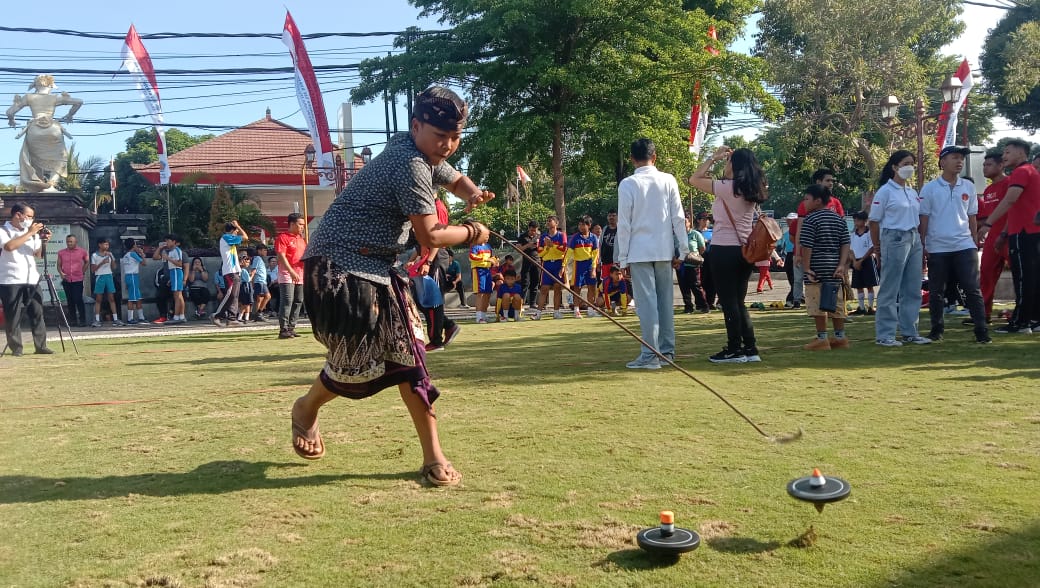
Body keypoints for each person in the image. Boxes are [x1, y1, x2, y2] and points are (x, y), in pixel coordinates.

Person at [291, 86, 493, 488]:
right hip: (338, 267)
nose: (449, 146)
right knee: (353, 365)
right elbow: (431, 236)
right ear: (416, 126)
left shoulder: (420, 150)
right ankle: (306, 408)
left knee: (409, 359)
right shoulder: (409, 164)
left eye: (455, 138)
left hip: (378, 268)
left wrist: (471, 193)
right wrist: (473, 232)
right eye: (441, 137)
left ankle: (432, 454)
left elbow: (449, 175)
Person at [688, 145, 768, 363]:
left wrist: (713, 158)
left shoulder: (728, 187)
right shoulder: (751, 188)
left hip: (724, 249)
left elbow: (694, 178)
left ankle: (734, 348)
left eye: (729, 161)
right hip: (744, 250)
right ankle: (750, 348)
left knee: (728, 301)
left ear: (735, 165)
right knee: (738, 302)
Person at [617, 138, 689, 369]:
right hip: (664, 249)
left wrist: (622, 258)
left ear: (632, 159)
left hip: (639, 251)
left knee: (647, 305)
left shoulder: (628, 184)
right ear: (654, 156)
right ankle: (666, 352)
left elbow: (624, 224)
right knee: (665, 302)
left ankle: (650, 356)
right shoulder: (668, 180)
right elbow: (678, 217)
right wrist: (685, 249)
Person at [919, 146, 989, 344]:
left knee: (972, 288)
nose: (959, 162)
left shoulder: (967, 187)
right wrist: (923, 245)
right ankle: (936, 330)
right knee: (936, 291)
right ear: (942, 162)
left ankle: (982, 331)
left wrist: (974, 242)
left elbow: (972, 218)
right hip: (937, 247)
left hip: (964, 245)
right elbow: (923, 218)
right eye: (955, 157)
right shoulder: (930, 188)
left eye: (961, 158)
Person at [868, 150, 931, 347]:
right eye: (905, 163)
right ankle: (885, 334)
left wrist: (921, 240)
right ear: (895, 167)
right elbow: (874, 221)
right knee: (890, 287)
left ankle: (910, 331)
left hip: (913, 238)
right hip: (894, 237)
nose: (909, 167)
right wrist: (877, 247)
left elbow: (919, 218)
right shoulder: (885, 191)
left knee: (912, 288)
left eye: (912, 163)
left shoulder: (912, 192)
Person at [977, 139, 1040, 334]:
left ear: (1021, 153)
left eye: (1007, 152)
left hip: (1024, 232)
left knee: (1023, 278)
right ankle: (1033, 319)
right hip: (1024, 231)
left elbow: (1010, 200)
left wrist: (988, 224)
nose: (1004, 156)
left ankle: (1021, 322)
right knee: (1030, 277)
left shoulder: (1021, 172)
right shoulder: (1031, 172)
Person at [5, 74, 83, 192]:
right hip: (53, 129)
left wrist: (12, 120)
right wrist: (70, 115)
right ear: (51, 86)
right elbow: (79, 102)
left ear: (35, 85)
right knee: (60, 157)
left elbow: (10, 112)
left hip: (34, 129)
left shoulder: (29, 97)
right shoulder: (55, 98)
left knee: (34, 158)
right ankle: (50, 185)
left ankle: (38, 185)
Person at [799, 184, 852, 350]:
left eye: (807, 199)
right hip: (835, 267)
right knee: (835, 302)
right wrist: (842, 265)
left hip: (816, 267)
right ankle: (840, 337)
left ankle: (822, 338)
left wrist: (807, 268)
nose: (804, 202)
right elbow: (845, 243)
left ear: (817, 201)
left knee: (817, 303)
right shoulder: (838, 219)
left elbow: (807, 246)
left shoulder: (810, 220)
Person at [0, 203, 53, 356]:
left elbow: (38, 254)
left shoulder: (32, 233)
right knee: (13, 314)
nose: (31, 220)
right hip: (10, 279)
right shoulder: (3, 230)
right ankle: (16, 348)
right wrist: (29, 233)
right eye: (29, 216)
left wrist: (44, 241)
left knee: (37, 312)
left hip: (31, 278)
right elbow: (9, 247)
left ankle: (41, 346)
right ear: (18, 215)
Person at [977, 153, 1010, 323]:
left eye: (989, 164)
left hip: (1010, 235)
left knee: (1022, 275)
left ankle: (1026, 313)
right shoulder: (988, 190)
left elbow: (1012, 211)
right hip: (992, 238)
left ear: (1001, 166)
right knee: (986, 272)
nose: (985, 168)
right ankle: (984, 314)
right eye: (984, 165)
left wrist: (1004, 233)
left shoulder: (1009, 184)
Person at [275, 213, 306, 338]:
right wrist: (291, 271)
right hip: (287, 272)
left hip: (300, 273)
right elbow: (281, 256)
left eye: (303, 225)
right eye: (300, 224)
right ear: (292, 224)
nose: (302, 227)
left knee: (298, 300)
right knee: (287, 300)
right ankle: (283, 329)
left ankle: (291, 327)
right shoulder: (283, 237)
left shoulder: (301, 239)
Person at [531, 214, 567, 320]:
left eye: (551, 220)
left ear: (556, 223)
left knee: (557, 288)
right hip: (547, 264)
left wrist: (552, 246)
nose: (549, 222)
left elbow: (563, 249)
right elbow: (540, 253)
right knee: (544, 288)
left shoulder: (561, 235)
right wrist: (547, 248)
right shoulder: (543, 237)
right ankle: (538, 313)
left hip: (558, 263)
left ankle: (556, 312)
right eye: (548, 221)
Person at [212, 220, 246, 327]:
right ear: (232, 230)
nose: (237, 232)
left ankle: (231, 318)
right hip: (230, 271)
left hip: (235, 270)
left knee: (235, 296)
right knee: (230, 295)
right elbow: (245, 237)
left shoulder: (229, 239)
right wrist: (239, 226)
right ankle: (216, 315)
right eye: (236, 230)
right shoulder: (226, 237)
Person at [568, 215, 599, 318]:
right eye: (579, 224)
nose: (581, 227)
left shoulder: (593, 237)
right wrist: (563, 265)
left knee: (592, 287)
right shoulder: (575, 237)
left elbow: (595, 255)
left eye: (583, 224)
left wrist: (594, 268)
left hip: (589, 264)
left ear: (589, 225)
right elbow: (569, 252)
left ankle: (591, 309)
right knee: (577, 287)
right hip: (579, 264)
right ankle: (576, 310)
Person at [848, 211, 878, 315]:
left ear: (865, 221)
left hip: (867, 261)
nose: (856, 222)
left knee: (869, 285)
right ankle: (861, 307)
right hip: (856, 261)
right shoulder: (853, 234)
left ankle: (871, 307)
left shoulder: (869, 233)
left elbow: (872, 247)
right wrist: (854, 261)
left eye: (858, 220)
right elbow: (850, 249)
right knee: (858, 285)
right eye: (855, 220)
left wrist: (861, 260)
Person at [677, 216, 708, 313]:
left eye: (685, 222)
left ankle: (703, 305)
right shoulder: (676, 235)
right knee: (684, 286)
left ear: (689, 223)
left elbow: (702, 248)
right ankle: (688, 307)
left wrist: (694, 256)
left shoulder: (695, 234)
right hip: (680, 265)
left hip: (693, 265)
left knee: (696, 286)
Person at [56, 234, 89, 327]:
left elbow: (87, 262)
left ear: (75, 242)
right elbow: (58, 265)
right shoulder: (61, 252)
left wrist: (82, 271)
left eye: (71, 242)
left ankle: (82, 319)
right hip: (67, 280)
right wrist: (61, 273)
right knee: (70, 300)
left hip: (77, 279)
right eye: (67, 242)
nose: (69, 243)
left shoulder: (82, 251)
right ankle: (73, 320)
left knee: (78, 299)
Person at [90, 238, 122, 327]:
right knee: (98, 299)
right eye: (105, 244)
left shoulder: (110, 254)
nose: (106, 246)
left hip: (109, 276)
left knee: (111, 298)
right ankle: (96, 319)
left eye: (107, 245)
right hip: (100, 277)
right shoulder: (94, 255)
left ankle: (116, 319)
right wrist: (102, 262)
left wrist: (111, 257)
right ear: (99, 245)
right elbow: (93, 270)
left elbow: (114, 267)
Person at [159, 234, 187, 325]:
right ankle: (180, 316)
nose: (167, 243)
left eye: (168, 241)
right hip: (173, 273)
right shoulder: (171, 251)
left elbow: (179, 264)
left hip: (176, 272)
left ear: (174, 241)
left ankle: (177, 316)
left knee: (177, 295)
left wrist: (168, 258)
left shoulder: (177, 251)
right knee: (178, 295)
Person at [120, 238, 147, 324]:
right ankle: (130, 318)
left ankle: (141, 317)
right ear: (133, 245)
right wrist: (142, 254)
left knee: (138, 297)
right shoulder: (133, 254)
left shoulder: (126, 255)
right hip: (133, 276)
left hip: (129, 276)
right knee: (132, 298)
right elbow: (144, 263)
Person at [468, 239, 496, 323]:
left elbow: (492, 257)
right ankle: (479, 317)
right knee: (481, 293)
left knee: (487, 292)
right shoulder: (474, 246)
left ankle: (484, 315)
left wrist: (495, 261)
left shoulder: (488, 246)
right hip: (478, 270)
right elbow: (472, 257)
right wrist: (487, 259)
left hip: (487, 270)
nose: (487, 237)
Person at [694, 211, 717, 309]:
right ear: (699, 220)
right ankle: (701, 303)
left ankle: (711, 302)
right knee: (700, 282)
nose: (706, 221)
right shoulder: (695, 233)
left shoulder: (713, 231)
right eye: (704, 219)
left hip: (712, 259)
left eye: (707, 219)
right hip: (700, 260)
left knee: (712, 281)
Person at [516, 220, 541, 307]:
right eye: (532, 230)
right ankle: (521, 302)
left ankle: (533, 303)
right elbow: (518, 249)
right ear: (528, 229)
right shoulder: (523, 236)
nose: (533, 232)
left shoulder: (539, 236)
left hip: (537, 261)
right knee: (525, 282)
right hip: (526, 261)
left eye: (535, 231)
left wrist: (538, 245)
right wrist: (528, 245)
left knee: (535, 282)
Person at [250, 244, 271, 321]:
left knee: (259, 299)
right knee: (267, 296)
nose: (266, 252)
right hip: (259, 281)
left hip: (262, 281)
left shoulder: (260, 259)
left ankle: (255, 314)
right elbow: (254, 270)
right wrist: (251, 281)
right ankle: (258, 313)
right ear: (259, 251)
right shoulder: (257, 258)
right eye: (264, 250)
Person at [237, 251, 255, 322]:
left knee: (246, 303)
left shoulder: (241, 270)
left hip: (243, 287)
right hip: (245, 287)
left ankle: (244, 317)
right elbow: (248, 279)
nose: (248, 263)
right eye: (247, 262)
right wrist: (252, 274)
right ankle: (243, 317)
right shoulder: (243, 270)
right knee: (246, 303)